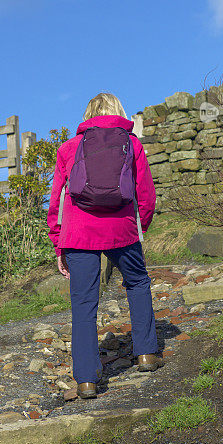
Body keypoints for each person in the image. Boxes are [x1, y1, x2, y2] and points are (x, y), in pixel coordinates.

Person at [47, 92, 164, 400]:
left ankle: (86, 380)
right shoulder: (132, 144)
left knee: (84, 304)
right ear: (118, 112)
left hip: (78, 234)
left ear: (88, 115)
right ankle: (147, 354)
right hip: (121, 231)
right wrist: (141, 227)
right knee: (137, 283)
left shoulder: (69, 148)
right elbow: (146, 195)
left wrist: (59, 242)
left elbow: (58, 199)